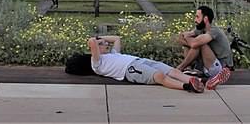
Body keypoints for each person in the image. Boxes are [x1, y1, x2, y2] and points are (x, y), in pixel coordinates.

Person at [65, 35, 204, 93]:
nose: (106, 43)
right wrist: (96, 40)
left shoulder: (113, 54)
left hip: (139, 61)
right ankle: (187, 86)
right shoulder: (97, 63)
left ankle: (199, 81)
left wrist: (102, 39)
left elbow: (117, 38)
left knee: (173, 71)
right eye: (102, 44)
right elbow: (91, 41)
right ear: (95, 51)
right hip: (131, 70)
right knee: (160, 76)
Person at [176, 5, 233, 90]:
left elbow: (195, 44)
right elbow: (181, 37)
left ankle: (180, 68)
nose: (195, 20)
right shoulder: (200, 29)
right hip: (207, 66)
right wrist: (189, 40)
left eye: (197, 17)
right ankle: (190, 69)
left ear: (205, 19)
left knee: (201, 44)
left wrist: (190, 40)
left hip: (221, 68)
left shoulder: (214, 31)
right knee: (192, 42)